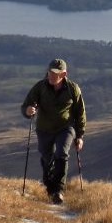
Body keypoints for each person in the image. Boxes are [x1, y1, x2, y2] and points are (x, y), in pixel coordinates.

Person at [21, 58, 86, 205]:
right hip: (44, 129)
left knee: (61, 153)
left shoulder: (73, 89)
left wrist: (80, 136)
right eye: (50, 72)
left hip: (65, 128)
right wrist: (28, 110)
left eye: (55, 73)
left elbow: (80, 113)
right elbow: (26, 105)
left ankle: (59, 191)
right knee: (47, 157)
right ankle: (50, 188)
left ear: (63, 74)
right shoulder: (40, 87)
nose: (51, 75)